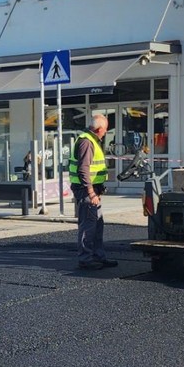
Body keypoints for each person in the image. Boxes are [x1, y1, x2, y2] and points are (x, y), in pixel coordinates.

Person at [69, 114, 117, 270]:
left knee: (97, 224)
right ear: (99, 129)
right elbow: (83, 170)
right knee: (89, 226)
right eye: (105, 129)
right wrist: (91, 193)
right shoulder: (86, 142)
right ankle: (85, 259)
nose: (106, 132)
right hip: (86, 192)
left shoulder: (92, 141)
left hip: (93, 190)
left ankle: (98, 256)